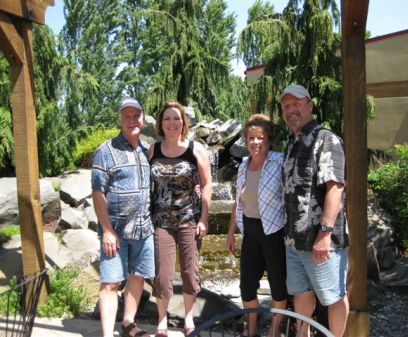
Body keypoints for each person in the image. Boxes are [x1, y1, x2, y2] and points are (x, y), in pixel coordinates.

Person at [280, 84, 349, 337]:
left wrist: (325, 233)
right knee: (301, 292)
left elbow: (335, 187)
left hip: (322, 241)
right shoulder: (291, 142)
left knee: (334, 296)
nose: (291, 110)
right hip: (293, 241)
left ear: (309, 105)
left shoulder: (326, 139)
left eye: (296, 104)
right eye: (286, 106)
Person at [91, 97, 155, 337]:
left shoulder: (147, 150)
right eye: (126, 116)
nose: (132, 120)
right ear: (120, 119)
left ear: (143, 118)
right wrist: (106, 229)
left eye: (136, 115)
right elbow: (97, 192)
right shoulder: (105, 151)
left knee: (137, 277)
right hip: (115, 231)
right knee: (110, 282)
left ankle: (128, 323)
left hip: (143, 228)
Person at [149, 101, 212, 337]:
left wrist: (204, 219)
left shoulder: (195, 149)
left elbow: (206, 185)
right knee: (163, 274)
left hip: (189, 220)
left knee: (188, 272)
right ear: (160, 123)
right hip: (161, 222)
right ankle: (162, 320)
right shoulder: (153, 150)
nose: (172, 123)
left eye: (176, 118)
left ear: (183, 122)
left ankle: (188, 318)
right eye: (167, 118)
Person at [226, 114, 287, 337]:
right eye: (251, 138)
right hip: (250, 230)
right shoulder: (243, 165)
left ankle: (274, 328)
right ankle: (252, 327)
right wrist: (231, 232)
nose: (256, 143)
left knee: (278, 285)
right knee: (247, 286)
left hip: (274, 231)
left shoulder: (279, 161)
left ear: (269, 140)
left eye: (260, 138)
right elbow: (238, 202)